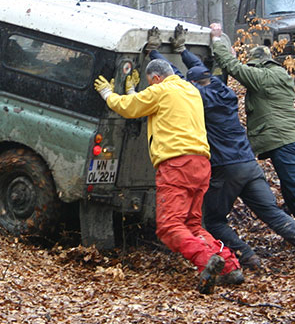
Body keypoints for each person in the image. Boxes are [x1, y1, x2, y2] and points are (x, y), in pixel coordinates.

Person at [150, 29, 295, 270]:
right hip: (248, 163)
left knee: (213, 221)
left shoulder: (197, 97)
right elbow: (198, 70)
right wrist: (183, 51)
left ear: (193, 84)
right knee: (272, 213)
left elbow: (175, 78)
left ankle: (246, 257)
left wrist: (154, 53)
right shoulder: (224, 91)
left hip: (226, 168)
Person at [94, 59, 241, 294]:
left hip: (176, 164)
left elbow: (129, 107)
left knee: (169, 226)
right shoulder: (190, 90)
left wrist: (107, 93)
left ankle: (208, 261)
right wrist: (134, 90)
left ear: (155, 79)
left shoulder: (160, 91)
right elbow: (148, 105)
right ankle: (230, 266)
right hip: (201, 163)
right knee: (192, 224)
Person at [209, 23, 295, 254]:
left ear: (257, 64)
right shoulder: (280, 75)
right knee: (294, 196)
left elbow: (233, 68)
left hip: (285, 145)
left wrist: (218, 42)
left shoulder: (263, 78)